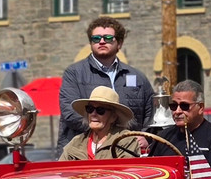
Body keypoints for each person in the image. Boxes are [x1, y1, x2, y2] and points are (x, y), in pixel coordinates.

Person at [58, 17, 155, 155]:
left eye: (108, 38)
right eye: (96, 38)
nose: (102, 41)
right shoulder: (74, 74)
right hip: (82, 155)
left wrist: (146, 137)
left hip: (128, 153)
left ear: (119, 43)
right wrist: (107, 132)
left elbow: (150, 115)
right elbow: (70, 113)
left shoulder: (137, 77)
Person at [59, 86, 142, 160]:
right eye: (90, 109)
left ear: (113, 117)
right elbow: (62, 172)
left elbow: (124, 173)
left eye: (100, 110)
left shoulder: (126, 140)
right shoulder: (76, 142)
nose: (93, 114)